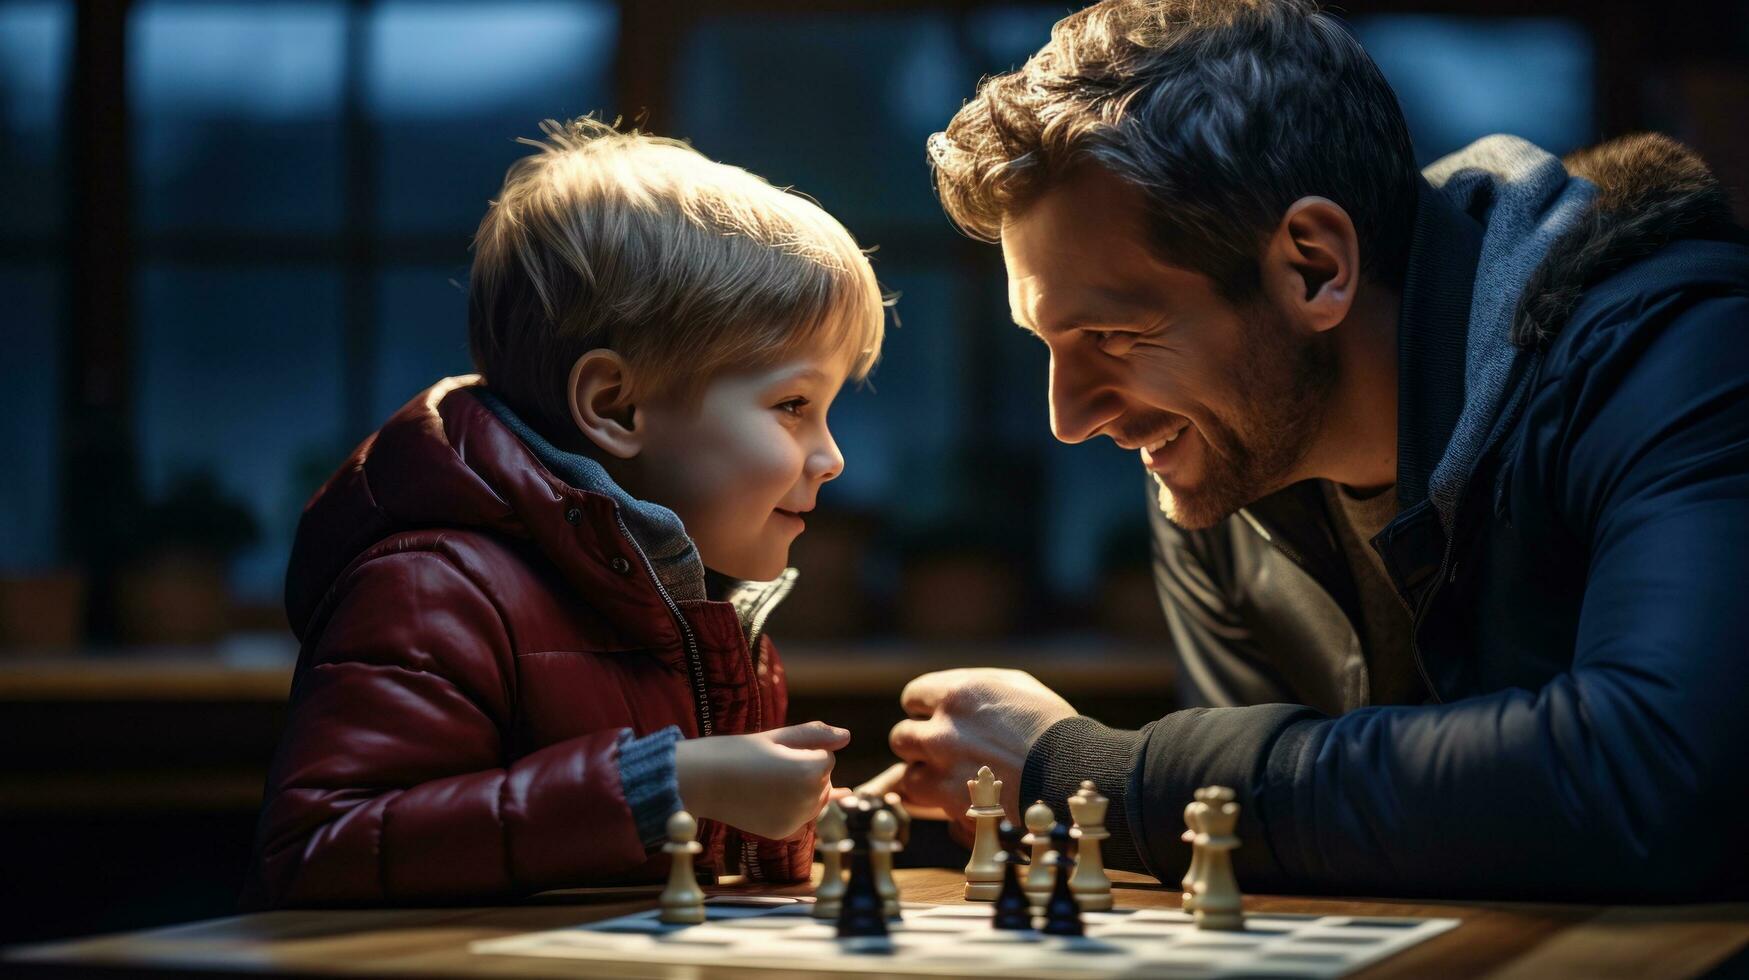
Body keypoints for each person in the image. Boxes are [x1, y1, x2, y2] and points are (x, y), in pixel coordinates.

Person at [891, 0, 1749, 899]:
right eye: (1048, 345)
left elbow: (1654, 778)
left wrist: (1090, 776)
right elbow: (1278, 862)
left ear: (1313, 266)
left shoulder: (1670, 354)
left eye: (1114, 334)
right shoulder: (1215, 471)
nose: (1069, 417)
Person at [243, 117, 885, 908]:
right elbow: (317, 851)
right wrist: (663, 786)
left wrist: (814, 816)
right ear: (614, 405)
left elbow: (685, 865)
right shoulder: (432, 590)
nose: (831, 456)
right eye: (793, 404)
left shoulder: (699, 610)